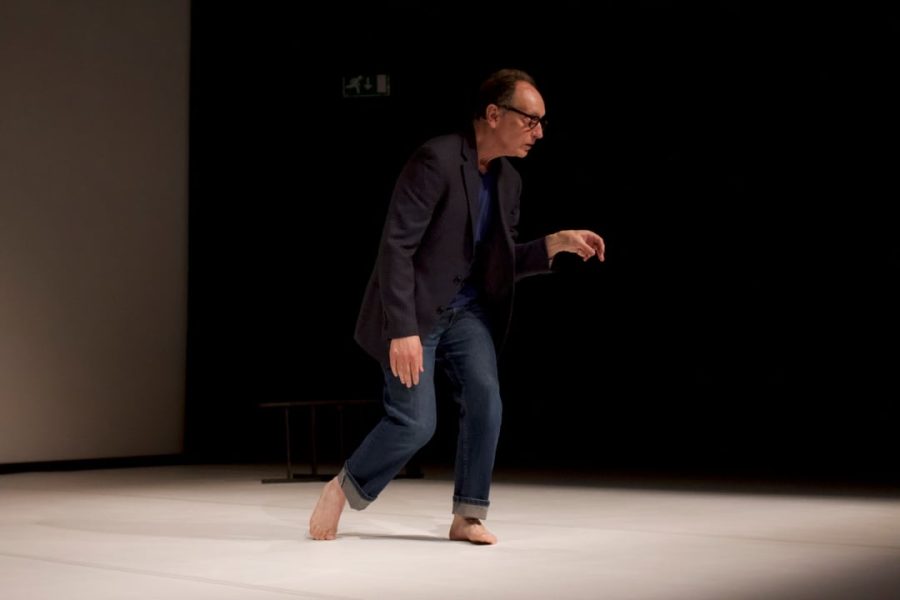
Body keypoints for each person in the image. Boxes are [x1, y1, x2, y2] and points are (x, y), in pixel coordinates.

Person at [309, 68, 605, 544]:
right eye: (530, 120)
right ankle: (343, 489)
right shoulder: (437, 159)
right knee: (415, 422)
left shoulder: (509, 181)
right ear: (493, 114)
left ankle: (468, 513)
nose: (539, 132)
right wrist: (403, 330)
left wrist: (554, 243)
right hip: (415, 313)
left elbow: (498, 263)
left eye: (542, 122)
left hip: (466, 313)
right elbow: (396, 248)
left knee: (487, 400)